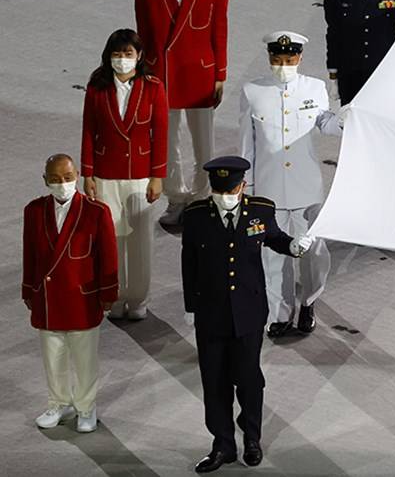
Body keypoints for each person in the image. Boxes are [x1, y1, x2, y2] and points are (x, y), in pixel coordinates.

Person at [182, 156, 312, 473]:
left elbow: (274, 238)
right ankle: (223, 445)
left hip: (248, 314)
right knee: (214, 383)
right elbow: (189, 264)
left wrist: (293, 246)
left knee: (249, 380)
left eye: (230, 189)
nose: (224, 196)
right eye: (218, 190)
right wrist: (191, 308)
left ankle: (252, 439)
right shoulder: (196, 216)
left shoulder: (260, 211)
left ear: (242, 186)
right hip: (211, 315)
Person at [239, 31, 342, 338]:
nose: (283, 65)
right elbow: (247, 143)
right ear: (270, 57)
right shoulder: (252, 90)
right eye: (277, 59)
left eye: (289, 59)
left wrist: (347, 120)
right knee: (272, 257)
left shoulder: (314, 88)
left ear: (299, 58)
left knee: (313, 254)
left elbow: (325, 124)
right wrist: (248, 186)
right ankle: (280, 313)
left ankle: (309, 301)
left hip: (305, 188)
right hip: (269, 190)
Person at [135, 0, 229, 229]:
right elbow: (143, 27)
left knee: (204, 141)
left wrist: (220, 74)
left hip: (199, 73)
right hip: (161, 72)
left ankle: (202, 198)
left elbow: (219, 29)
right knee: (165, 139)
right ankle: (175, 199)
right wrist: (142, 69)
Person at [22, 154, 118, 433]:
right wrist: (29, 289)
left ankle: (86, 407)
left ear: (77, 175)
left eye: (67, 178)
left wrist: (108, 293)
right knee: (53, 358)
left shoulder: (96, 212)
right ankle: (59, 403)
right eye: (54, 179)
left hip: (82, 298)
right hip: (48, 299)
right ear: (45, 180)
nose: (61, 184)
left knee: (84, 359)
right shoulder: (34, 211)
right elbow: (30, 254)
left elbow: (108, 258)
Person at [81, 29, 168, 320]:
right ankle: (113, 296)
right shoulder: (97, 87)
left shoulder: (153, 87)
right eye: (117, 54)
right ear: (108, 56)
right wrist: (88, 173)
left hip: (140, 176)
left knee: (141, 241)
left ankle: (139, 298)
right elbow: (88, 132)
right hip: (106, 175)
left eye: (128, 54)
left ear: (139, 56)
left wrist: (157, 176)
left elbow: (161, 135)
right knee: (111, 240)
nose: (122, 60)